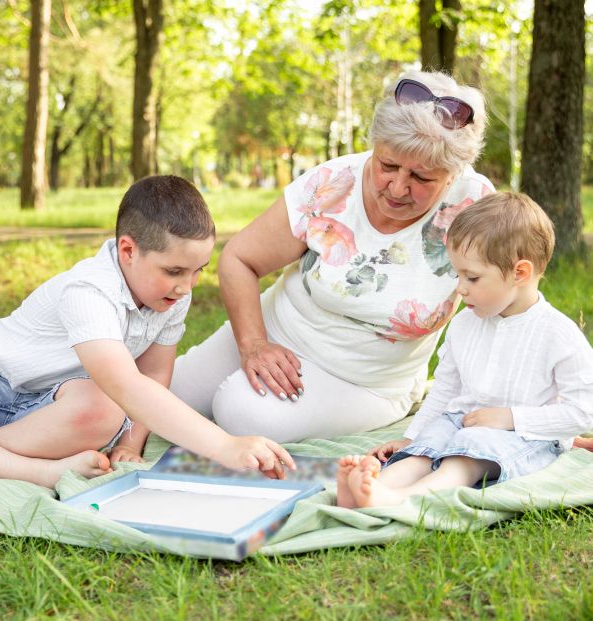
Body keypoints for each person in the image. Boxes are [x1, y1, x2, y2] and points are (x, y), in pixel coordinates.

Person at [170, 71, 494, 442]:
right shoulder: (332, 182)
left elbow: (508, 305)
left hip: (363, 382)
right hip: (275, 330)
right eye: (387, 165)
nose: (398, 186)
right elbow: (239, 259)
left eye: (421, 178)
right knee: (158, 399)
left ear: (453, 175)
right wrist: (254, 345)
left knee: (240, 410)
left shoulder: (476, 207)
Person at [0, 175, 294, 488]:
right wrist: (224, 446)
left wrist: (130, 444)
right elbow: (128, 386)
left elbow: (153, 375)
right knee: (113, 396)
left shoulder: (171, 294)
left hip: (49, 404)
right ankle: (35, 471)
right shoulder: (90, 290)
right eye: (174, 271)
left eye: (198, 271)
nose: (186, 286)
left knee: (104, 409)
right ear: (128, 251)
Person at [336, 192, 593, 508]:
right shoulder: (464, 325)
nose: (460, 287)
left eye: (472, 277)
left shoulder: (557, 334)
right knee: (432, 443)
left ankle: (399, 498)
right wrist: (413, 438)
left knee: (466, 453)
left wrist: (510, 418)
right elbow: (444, 390)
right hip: (463, 418)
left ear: (520, 273)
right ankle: (370, 487)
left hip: (528, 437)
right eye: (458, 274)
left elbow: (582, 411)